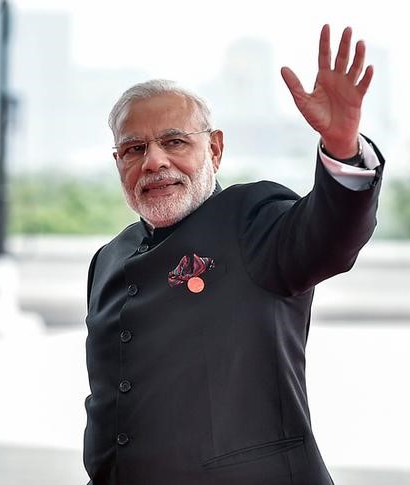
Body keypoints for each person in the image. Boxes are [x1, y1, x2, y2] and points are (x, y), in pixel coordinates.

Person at [82, 24, 383, 485]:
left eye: (174, 141)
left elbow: (331, 234)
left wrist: (342, 147)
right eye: (134, 149)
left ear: (215, 148)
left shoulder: (253, 218)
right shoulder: (108, 258)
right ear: (118, 163)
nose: (155, 161)